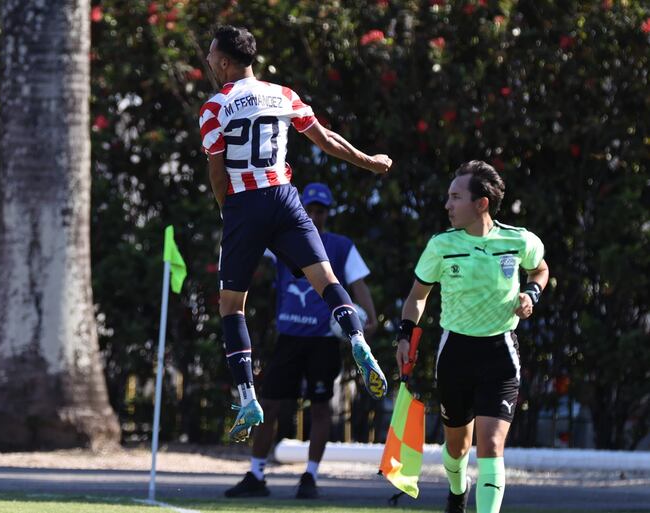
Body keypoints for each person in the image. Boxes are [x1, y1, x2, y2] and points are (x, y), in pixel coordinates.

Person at [200, 25, 392, 442]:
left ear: (226, 62)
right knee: (326, 279)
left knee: (232, 307)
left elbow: (217, 172)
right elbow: (325, 140)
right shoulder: (283, 94)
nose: (210, 62)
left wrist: (227, 213)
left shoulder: (215, 106)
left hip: (244, 205)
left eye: (213, 56)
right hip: (286, 198)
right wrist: (370, 162)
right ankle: (357, 338)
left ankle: (247, 395)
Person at [395, 161, 549, 513]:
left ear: (481, 203)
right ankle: (456, 491)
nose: (447, 205)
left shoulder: (518, 239)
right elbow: (418, 296)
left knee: (491, 445)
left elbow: (540, 268)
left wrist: (531, 295)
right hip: (455, 355)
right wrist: (405, 337)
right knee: (457, 447)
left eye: (455, 197)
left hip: (500, 354)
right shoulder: (441, 246)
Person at [224, 182, 377, 499]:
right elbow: (255, 246)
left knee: (321, 410)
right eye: (310, 209)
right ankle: (256, 474)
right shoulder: (285, 235)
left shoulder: (341, 246)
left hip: (323, 341)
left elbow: (357, 285)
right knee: (269, 405)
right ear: (302, 209)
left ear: (328, 214)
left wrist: (370, 321)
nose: (315, 215)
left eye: (321, 211)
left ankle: (310, 476)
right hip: (289, 338)